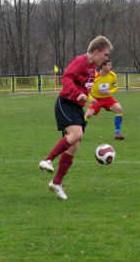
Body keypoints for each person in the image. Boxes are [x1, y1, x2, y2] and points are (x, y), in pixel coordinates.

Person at [38, 35, 112, 200]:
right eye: (105, 55)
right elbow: (66, 78)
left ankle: (56, 183)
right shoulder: (80, 61)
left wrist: (89, 96)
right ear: (97, 51)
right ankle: (47, 160)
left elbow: (83, 85)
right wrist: (77, 93)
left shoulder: (93, 67)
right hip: (65, 104)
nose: (107, 58)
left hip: (77, 108)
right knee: (76, 134)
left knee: (74, 146)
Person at [84, 59, 124, 140]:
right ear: (103, 66)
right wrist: (91, 98)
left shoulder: (112, 75)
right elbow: (85, 90)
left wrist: (110, 91)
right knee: (88, 115)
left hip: (108, 99)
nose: (111, 67)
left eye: (111, 65)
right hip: (96, 100)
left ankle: (117, 133)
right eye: (109, 65)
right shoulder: (94, 77)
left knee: (119, 109)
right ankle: (79, 133)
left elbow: (115, 87)